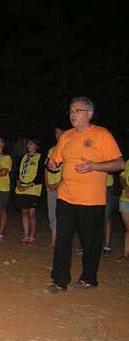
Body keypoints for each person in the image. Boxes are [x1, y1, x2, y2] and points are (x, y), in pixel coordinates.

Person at [45, 96, 124, 294]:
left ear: (89, 113)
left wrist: (94, 166)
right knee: (62, 239)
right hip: (66, 196)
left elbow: (119, 163)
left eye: (77, 111)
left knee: (91, 242)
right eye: (71, 111)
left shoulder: (102, 134)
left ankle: (89, 279)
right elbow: (55, 161)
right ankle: (59, 281)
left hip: (91, 200)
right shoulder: (66, 136)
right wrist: (52, 164)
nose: (73, 114)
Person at [15, 138, 45, 246]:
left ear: (36, 146)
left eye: (31, 143)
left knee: (32, 213)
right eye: (28, 143)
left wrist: (28, 187)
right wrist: (19, 184)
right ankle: (26, 235)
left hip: (33, 189)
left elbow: (40, 174)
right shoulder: (23, 157)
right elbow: (17, 172)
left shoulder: (40, 157)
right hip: (21, 187)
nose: (28, 145)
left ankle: (32, 236)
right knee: (24, 212)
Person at [45, 127, 65, 248]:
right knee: (52, 215)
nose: (58, 135)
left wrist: (59, 184)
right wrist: (47, 184)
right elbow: (46, 168)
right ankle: (53, 241)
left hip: (64, 187)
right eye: (56, 133)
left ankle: (62, 241)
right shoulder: (52, 150)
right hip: (51, 187)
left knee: (64, 215)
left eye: (61, 133)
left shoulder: (69, 148)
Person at [117, 159, 129, 262]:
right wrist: (126, 187)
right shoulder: (128, 162)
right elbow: (121, 177)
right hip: (125, 200)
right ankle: (125, 255)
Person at [103, 175, 114, 257]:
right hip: (92, 185)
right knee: (91, 216)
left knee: (107, 216)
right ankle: (88, 243)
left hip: (106, 186)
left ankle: (107, 245)